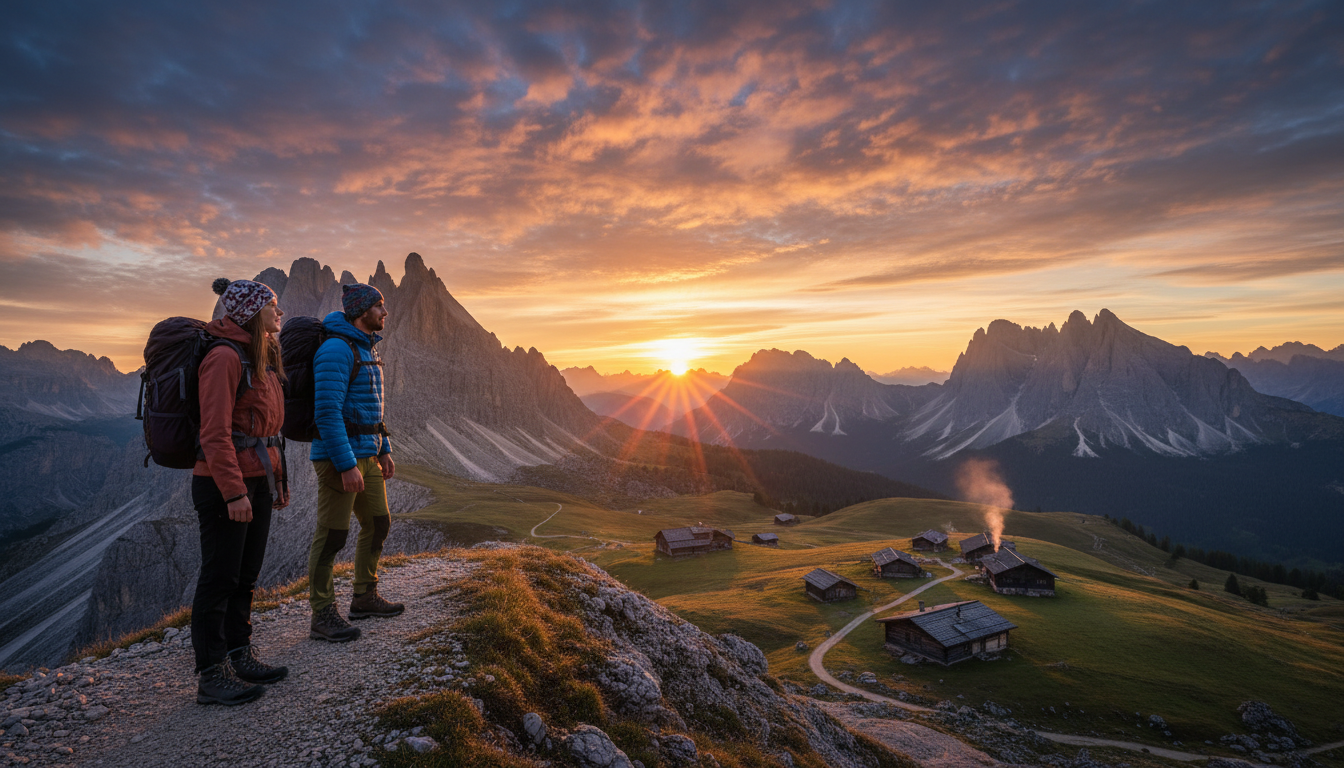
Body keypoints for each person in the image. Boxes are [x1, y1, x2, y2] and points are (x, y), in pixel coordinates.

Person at [192, 278, 291, 705]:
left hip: (258, 478)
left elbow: (269, 431)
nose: (280, 311)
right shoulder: (223, 357)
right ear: (252, 312)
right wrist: (234, 494)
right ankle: (212, 673)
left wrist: (277, 484)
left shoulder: (260, 355)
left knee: (246, 576)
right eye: (273, 304)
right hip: (222, 483)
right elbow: (214, 434)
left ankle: (239, 654)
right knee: (220, 577)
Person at [308, 282, 403, 643]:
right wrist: (346, 463)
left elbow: (372, 408)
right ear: (362, 311)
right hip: (338, 458)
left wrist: (384, 447)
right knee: (332, 535)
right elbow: (327, 413)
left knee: (378, 523)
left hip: (368, 453)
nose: (385, 312)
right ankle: (322, 613)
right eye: (379, 306)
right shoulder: (336, 349)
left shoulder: (368, 349)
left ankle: (364, 596)